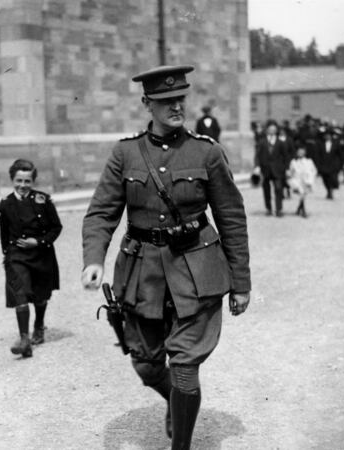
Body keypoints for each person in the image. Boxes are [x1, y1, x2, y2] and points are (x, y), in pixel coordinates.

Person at [81, 65, 251, 449]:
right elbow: (101, 212)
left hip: (197, 272)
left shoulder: (206, 152)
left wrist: (241, 284)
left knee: (185, 366)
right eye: (165, 101)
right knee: (146, 363)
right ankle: (175, 406)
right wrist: (94, 259)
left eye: (179, 100)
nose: (176, 107)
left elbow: (232, 220)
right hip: (142, 276)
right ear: (147, 104)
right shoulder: (125, 153)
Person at [0, 159, 63, 358]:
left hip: (41, 254)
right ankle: (24, 338)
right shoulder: (6, 204)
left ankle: (39, 325)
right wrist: (8, 256)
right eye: (19, 180)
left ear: (33, 181)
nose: (23, 185)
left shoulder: (43, 200)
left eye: (27, 181)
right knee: (20, 294)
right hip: (17, 256)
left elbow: (56, 227)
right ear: (12, 180)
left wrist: (39, 242)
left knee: (41, 295)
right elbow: (4, 233)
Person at [253, 120, 291, 216]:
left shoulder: (280, 142)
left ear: (276, 130)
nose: (272, 131)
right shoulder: (262, 142)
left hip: (278, 170)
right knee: (266, 190)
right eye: (270, 129)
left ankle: (279, 209)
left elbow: (286, 156)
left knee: (278, 188)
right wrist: (257, 166)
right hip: (265, 169)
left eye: (274, 129)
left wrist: (287, 168)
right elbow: (257, 155)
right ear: (267, 130)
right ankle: (269, 208)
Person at [287, 145, 317, 218]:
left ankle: (299, 208)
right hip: (297, 181)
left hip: (306, 180)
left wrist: (310, 179)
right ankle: (303, 211)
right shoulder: (293, 162)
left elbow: (314, 171)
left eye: (302, 152)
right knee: (301, 194)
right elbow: (290, 171)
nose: (300, 153)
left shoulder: (309, 161)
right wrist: (290, 176)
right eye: (299, 152)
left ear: (305, 153)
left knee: (303, 194)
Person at [314, 127, 342, 200]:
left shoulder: (336, 143)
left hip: (333, 164)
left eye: (329, 135)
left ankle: (331, 192)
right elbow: (318, 154)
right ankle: (328, 190)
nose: (327, 137)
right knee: (325, 179)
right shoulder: (321, 144)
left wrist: (340, 164)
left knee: (332, 179)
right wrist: (318, 164)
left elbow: (340, 154)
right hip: (324, 164)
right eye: (326, 135)